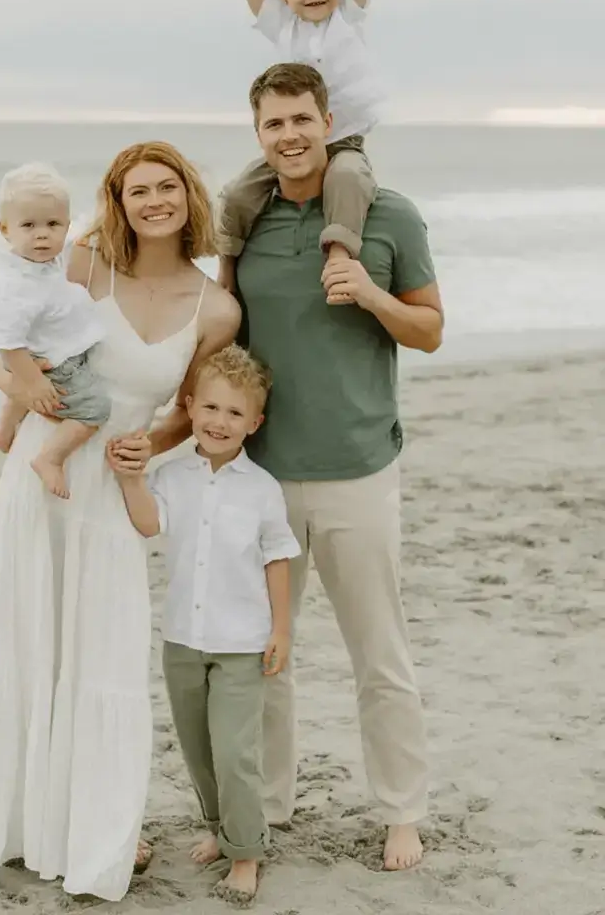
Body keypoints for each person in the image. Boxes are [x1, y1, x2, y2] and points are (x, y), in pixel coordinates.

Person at [0, 141, 241, 902]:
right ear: (117, 200)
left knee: (99, 652)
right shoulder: (79, 264)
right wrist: (23, 393)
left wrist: (151, 443)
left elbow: (189, 414)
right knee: (30, 635)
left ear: (187, 197)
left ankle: (101, 821)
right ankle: (22, 816)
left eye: (167, 186)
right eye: (137, 190)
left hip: (111, 487)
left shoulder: (217, 307)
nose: (154, 200)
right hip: (43, 474)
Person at [232, 63, 444, 872]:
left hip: (358, 471)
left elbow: (429, 330)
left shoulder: (389, 216)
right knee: (263, 656)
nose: (289, 135)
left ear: (328, 121)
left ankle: (401, 812)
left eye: (300, 119)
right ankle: (267, 807)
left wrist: (371, 294)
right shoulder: (248, 219)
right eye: (272, 124)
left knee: (378, 654)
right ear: (258, 134)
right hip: (262, 475)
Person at [111, 344, 300, 906]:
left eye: (236, 414)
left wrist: (281, 630)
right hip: (182, 642)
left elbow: (277, 558)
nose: (221, 422)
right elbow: (149, 525)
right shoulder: (171, 477)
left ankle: (246, 853)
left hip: (242, 644)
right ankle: (222, 828)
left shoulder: (263, 489)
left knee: (236, 751)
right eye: (212, 408)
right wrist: (130, 481)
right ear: (190, 407)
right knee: (197, 748)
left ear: (255, 422)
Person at [218, 0, 382, 304]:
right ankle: (226, 269)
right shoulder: (283, 24)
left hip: (341, 141)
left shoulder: (348, 15)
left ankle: (340, 255)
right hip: (290, 146)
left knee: (347, 179)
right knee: (238, 192)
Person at [0, 162, 111, 499]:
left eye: (53, 224)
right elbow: (8, 342)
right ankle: (50, 458)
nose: (42, 234)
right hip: (40, 360)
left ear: (67, 225)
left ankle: (4, 428)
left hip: (38, 352)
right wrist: (32, 381)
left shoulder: (41, 261)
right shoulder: (19, 285)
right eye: (29, 225)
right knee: (96, 408)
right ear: (5, 229)